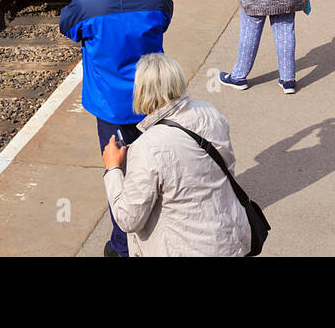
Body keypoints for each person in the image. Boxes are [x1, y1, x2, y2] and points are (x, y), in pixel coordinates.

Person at [59, 0, 173, 257]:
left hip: (110, 107)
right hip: (152, 100)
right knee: (153, 166)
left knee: (118, 172)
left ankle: (123, 245)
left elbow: (68, 26)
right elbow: (164, 22)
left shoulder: (88, 1)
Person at [102, 53, 252, 257]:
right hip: (230, 241)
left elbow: (129, 219)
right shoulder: (210, 113)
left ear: (140, 92)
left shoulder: (147, 147)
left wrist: (113, 169)